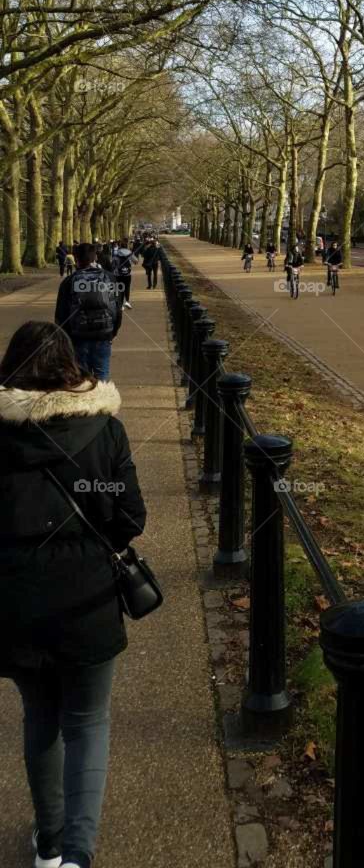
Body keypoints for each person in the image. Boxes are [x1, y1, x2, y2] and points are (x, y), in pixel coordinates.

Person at [0, 320, 146, 868]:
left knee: (39, 715)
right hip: (85, 596)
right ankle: (76, 853)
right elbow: (130, 516)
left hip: (13, 599)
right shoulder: (104, 430)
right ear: (72, 368)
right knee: (86, 722)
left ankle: (50, 841)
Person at [54, 243, 123, 381]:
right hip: (103, 334)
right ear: (95, 257)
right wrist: (113, 332)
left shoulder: (69, 281)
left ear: (76, 259)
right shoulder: (109, 278)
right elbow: (117, 309)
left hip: (78, 336)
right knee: (102, 375)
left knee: (80, 378)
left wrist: (67, 338)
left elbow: (60, 315)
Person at [111, 239, 134, 310]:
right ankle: (127, 301)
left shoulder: (116, 253)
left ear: (120, 246)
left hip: (118, 274)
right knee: (127, 288)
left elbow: (113, 264)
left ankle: (121, 304)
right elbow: (136, 261)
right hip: (127, 274)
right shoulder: (129, 253)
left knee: (120, 289)